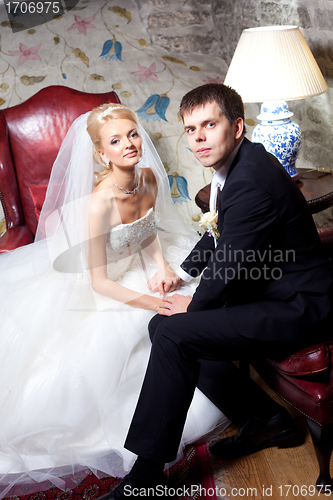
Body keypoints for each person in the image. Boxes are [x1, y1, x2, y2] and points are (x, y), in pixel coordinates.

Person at [102, 83, 333, 499]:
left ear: (238, 126)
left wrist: (193, 303)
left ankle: (146, 478)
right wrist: (183, 272)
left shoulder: (250, 181)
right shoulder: (239, 165)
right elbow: (222, 234)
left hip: (299, 305)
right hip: (273, 289)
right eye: (191, 129)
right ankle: (265, 418)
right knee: (163, 326)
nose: (199, 138)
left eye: (210, 124)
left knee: (171, 329)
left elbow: (228, 263)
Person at [0, 103, 228, 498]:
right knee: (141, 327)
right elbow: (100, 283)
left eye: (133, 134)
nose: (130, 145)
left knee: (194, 297)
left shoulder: (149, 179)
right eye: (116, 141)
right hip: (100, 280)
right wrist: (151, 302)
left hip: (137, 264)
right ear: (101, 154)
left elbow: (147, 230)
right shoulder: (100, 203)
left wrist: (160, 268)